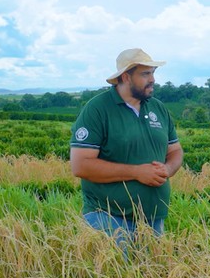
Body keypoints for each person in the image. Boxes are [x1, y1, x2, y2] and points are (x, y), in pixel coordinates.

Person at [70, 48, 183, 251]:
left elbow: (175, 151)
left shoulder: (158, 108)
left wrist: (168, 169)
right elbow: (81, 165)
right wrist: (137, 173)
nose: (153, 79)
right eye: (145, 74)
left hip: (153, 220)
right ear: (125, 77)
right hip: (107, 218)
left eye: (153, 73)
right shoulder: (98, 109)